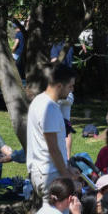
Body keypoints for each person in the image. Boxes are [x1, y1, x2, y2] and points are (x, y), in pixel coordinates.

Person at [26, 64, 79, 196]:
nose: (71, 90)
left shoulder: (40, 101)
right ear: (59, 86)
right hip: (48, 173)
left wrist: (67, 167)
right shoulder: (49, 108)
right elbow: (53, 148)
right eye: (70, 86)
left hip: (45, 171)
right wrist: (66, 176)